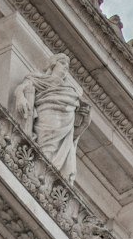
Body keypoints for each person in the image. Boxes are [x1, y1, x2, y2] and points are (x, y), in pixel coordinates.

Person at [13, 54, 89, 182]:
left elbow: (74, 135)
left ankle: (47, 181)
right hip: (46, 120)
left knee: (54, 158)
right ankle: (38, 177)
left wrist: (85, 122)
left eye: (67, 66)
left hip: (63, 126)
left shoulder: (69, 91)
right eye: (63, 63)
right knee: (46, 150)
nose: (66, 68)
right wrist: (20, 97)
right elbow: (21, 88)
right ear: (53, 64)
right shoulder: (38, 78)